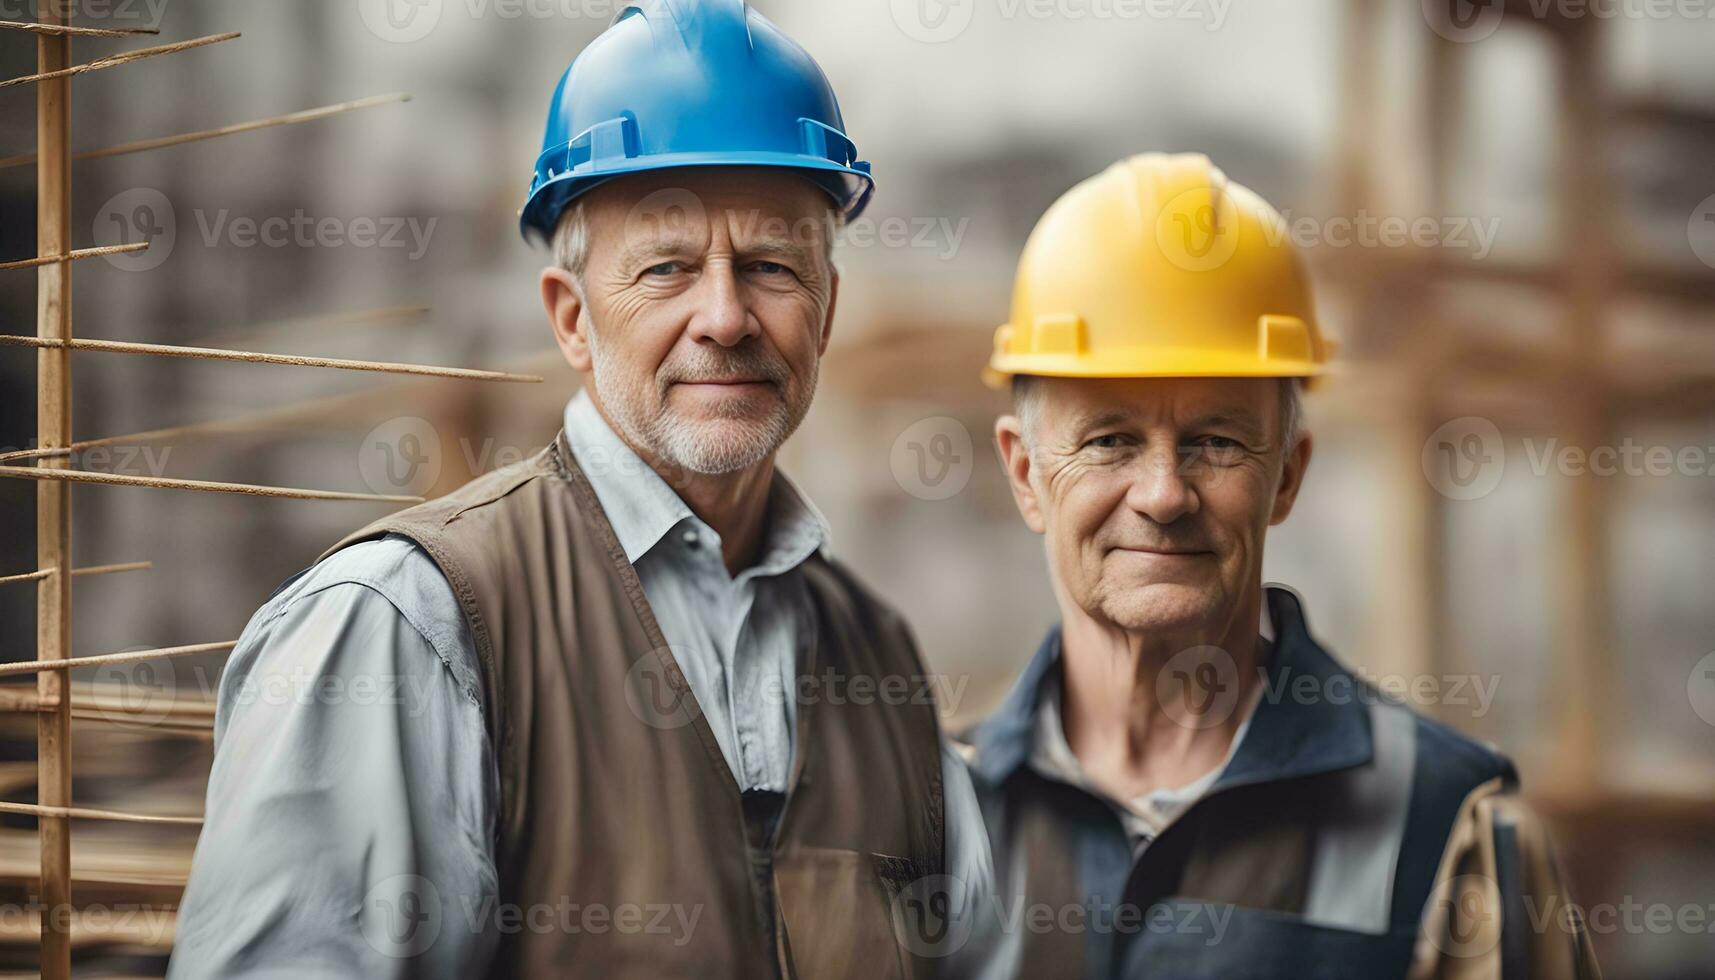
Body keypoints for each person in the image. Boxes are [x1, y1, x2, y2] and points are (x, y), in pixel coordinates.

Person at [169, 3, 989, 976]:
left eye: (771, 266)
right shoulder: (407, 626)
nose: (724, 316)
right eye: (665, 267)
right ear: (569, 318)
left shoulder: (877, 658)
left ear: (826, 311)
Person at [956, 153, 1600, 978]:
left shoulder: (1451, 833)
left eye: (1215, 441)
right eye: (1109, 440)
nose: (1162, 493)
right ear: (1024, 475)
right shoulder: (920, 821)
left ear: (1286, 475)